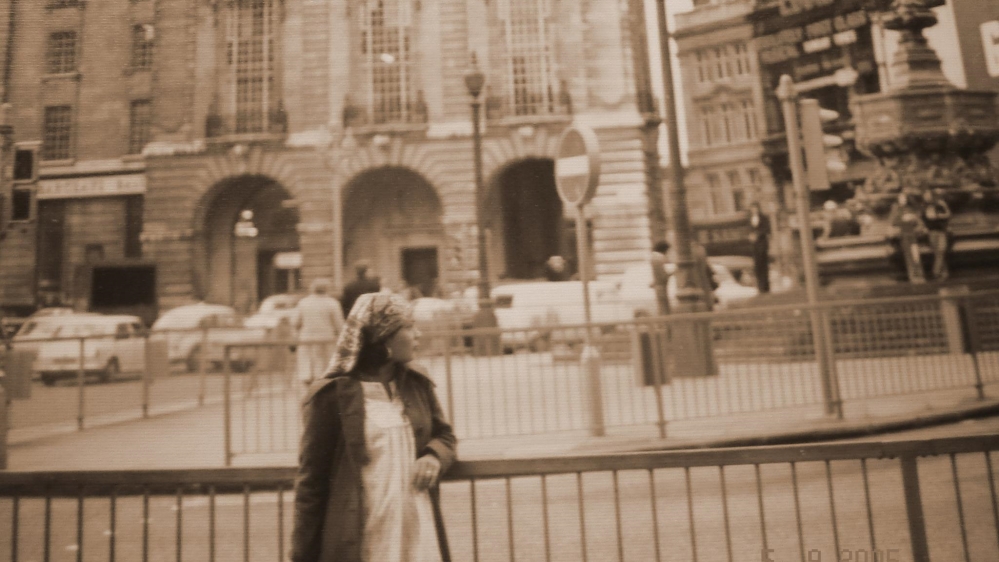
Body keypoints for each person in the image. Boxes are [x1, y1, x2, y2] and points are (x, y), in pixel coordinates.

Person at [292, 292, 457, 562]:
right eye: (409, 326)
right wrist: (301, 556)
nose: (418, 334)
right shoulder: (331, 397)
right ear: (384, 337)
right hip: (363, 534)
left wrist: (433, 455)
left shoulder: (417, 383)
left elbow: (445, 435)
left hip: (416, 530)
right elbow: (311, 484)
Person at [295, 279, 345, 387]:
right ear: (327, 289)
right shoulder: (332, 303)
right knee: (324, 366)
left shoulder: (303, 302)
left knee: (307, 367)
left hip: (306, 338)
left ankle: (309, 393)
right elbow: (339, 324)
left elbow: (296, 323)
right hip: (326, 338)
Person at [889, 191, 926, 284]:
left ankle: (919, 275)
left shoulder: (910, 209)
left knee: (916, 256)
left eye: (904, 198)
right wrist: (903, 219)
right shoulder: (896, 210)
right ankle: (913, 276)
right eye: (901, 198)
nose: (903, 200)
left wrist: (913, 219)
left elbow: (918, 221)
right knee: (909, 257)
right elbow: (893, 222)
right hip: (904, 236)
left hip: (912, 235)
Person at [922, 190, 952, 281]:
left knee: (941, 251)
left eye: (929, 195)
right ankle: (944, 274)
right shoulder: (924, 207)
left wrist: (939, 215)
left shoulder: (939, 205)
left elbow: (948, 214)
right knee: (938, 253)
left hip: (941, 231)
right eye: (925, 196)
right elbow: (928, 217)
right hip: (932, 232)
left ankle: (935, 272)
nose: (927, 197)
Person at [747, 203, 771, 293]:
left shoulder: (764, 218)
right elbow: (749, 229)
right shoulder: (749, 219)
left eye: (755, 208)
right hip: (755, 245)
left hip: (762, 244)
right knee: (757, 265)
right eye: (752, 208)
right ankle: (760, 286)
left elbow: (767, 229)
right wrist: (750, 236)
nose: (754, 210)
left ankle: (766, 286)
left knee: (764, 264)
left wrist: (757, 234)